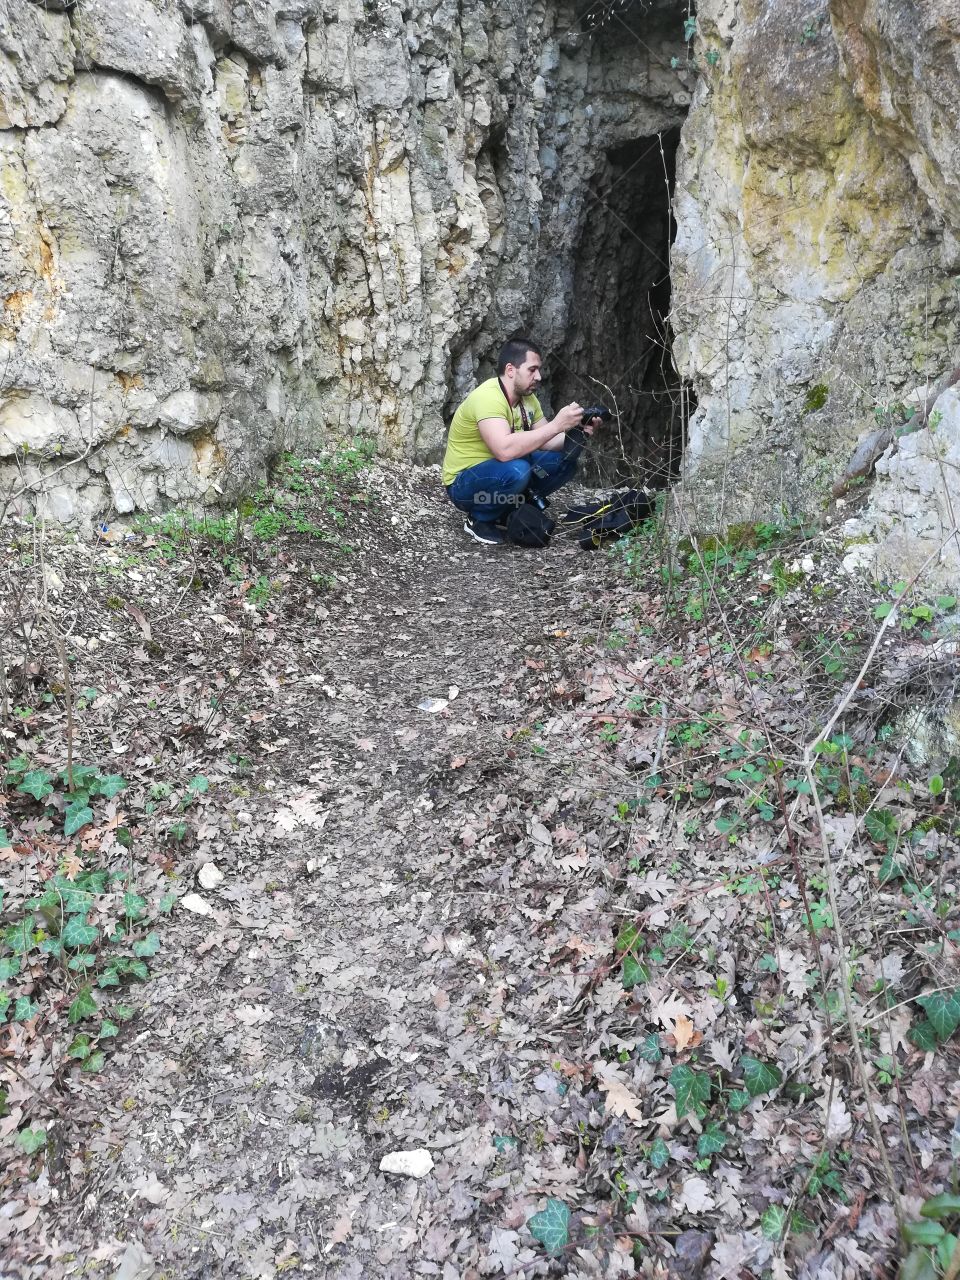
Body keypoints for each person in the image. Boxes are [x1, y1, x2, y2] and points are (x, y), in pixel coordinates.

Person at [441, 337, 597, 545]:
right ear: (511, 370)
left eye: (539, 370)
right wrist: (556, 425)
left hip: (501, 472)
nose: (539, 376)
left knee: (565, 463)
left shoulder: (528, 399)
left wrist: (578, 431)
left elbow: (547, 441)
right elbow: (503, 450)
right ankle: (479, 518)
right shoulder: (488, 398)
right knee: (519, 470)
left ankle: (506, 508)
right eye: (532, 370)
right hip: (463, 483)